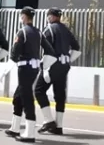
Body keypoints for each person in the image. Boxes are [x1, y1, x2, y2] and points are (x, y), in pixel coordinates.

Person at [3, 6, 56, 143]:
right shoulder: (38, 32)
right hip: (34, 69)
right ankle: (15, 128)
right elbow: (50, 52)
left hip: (24, 69)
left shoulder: (22, 32)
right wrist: (43, 65)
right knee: (18, 97)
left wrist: (5, 70)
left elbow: (14, 54)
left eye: (21, 16)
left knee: (26, 98)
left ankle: (30, 133)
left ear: (23, 17)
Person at [35, 7, 81, 136]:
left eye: (48, 15)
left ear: (52, 16)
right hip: (64, 66)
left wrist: (44, 68)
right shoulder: (66, 30)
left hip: (52, 65)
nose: (48, 18)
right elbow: (77, 48)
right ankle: (59, 126)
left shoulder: (49, 29)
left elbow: (47, 50)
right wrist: (67, 60)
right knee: (60, 95)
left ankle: (48, 120)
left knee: (39, 90)